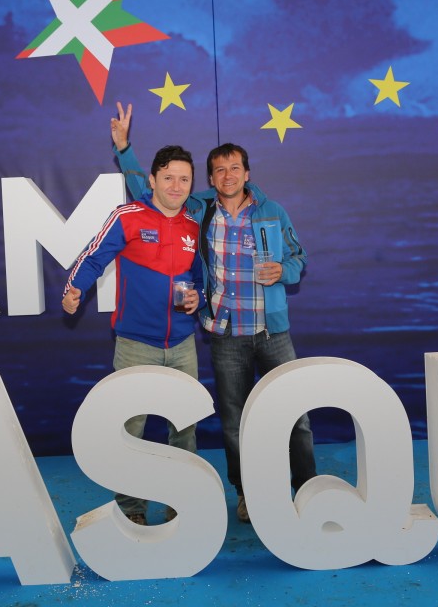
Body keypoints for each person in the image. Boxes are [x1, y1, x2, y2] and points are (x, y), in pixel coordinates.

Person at [110, 102, 316, 524]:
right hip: (225, 336)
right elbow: (147, 189)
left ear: (247, 173)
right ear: (210, 179)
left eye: (235, 168)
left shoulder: (272, 211)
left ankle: (309, 491)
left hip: (272, 332)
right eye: (219, 170)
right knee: (234, 424)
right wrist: (124, 148)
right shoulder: (198, 209)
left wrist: (284, 271)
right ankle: (246, 494)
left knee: (296, 417)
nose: (228, 175)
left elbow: (299, 258)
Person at [63, 144, 206, 526]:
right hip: (135, 345)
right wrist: (75, 288)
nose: (176, 185)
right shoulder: (128, 216)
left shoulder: (194, 225)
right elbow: (93, 257)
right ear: (152, 179)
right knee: (131, 430)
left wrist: (199, 297)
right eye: (169, 177)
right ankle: (132, 510)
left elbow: (201, 279)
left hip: (183, 345)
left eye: (184, 179)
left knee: (185, 428)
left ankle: (181, 503)